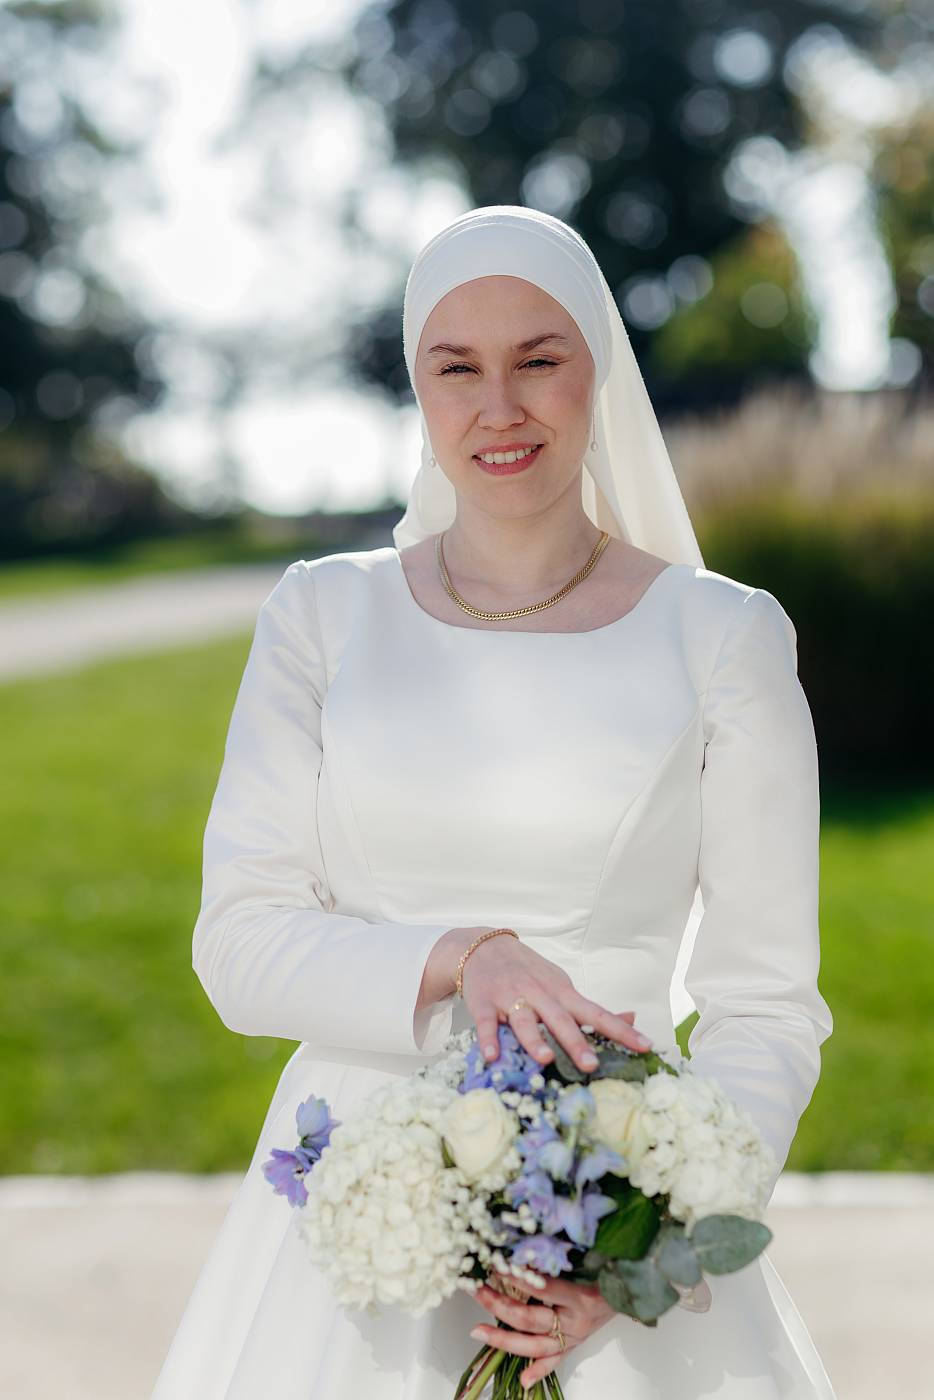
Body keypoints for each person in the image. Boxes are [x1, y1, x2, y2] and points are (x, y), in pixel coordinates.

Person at [150, 206, 836, 1398]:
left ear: (598, 371)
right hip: (352, 1228)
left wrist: (646, 1253)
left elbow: (765, 1004)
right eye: (454, 367)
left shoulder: (722, 635)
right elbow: (238, 944)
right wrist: (467, 958)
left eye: (539, 359)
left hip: (617, 1195)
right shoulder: (320, 616)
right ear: (417, 389)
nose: (498, 406)